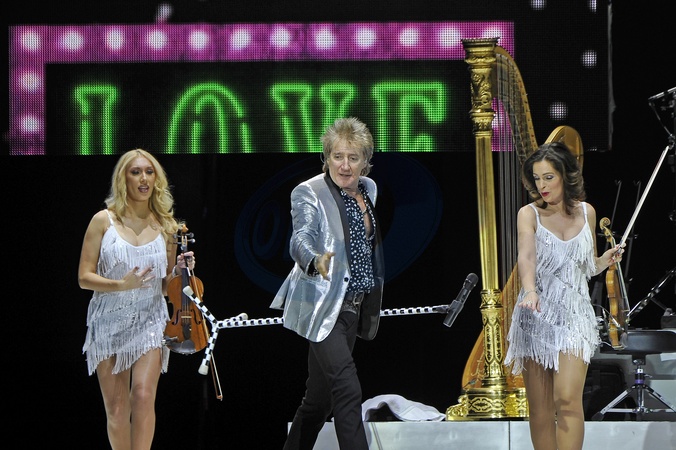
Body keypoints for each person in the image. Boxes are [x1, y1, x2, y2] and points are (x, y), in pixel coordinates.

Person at [270, 117, 385, 450]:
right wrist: (313, 259)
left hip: (351, 308)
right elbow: (300, 237)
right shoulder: (310, 191)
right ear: (327, 158)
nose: (344, 166)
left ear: (365, 161)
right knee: (347, 389)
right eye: (337, 156)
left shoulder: (369, 190)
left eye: (353, 158)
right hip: (321, 306)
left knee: (318, 402)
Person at [504, 141, 625, 450]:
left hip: (574, 316)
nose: (542, 186)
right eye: (537, 178)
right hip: (535, 314)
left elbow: (587, 267)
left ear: (565, 176)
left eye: (549, 177)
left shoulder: (587, 212)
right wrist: (530, 290)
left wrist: (605, 260)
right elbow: (526, 257)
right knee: (541, 409)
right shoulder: (528, 214)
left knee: (567, 399)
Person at [79, 148, 195, 450]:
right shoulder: (102, 221)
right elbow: (84, 277)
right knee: (118, 409)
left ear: (156, 179)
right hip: (109, 321)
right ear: (124, 179)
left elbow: (165, 286)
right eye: (136, 172)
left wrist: (179, 271)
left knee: (143, 396)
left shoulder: (166, 226)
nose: (143, 178)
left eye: (149, 172)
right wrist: (121, 284)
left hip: (150, 319)